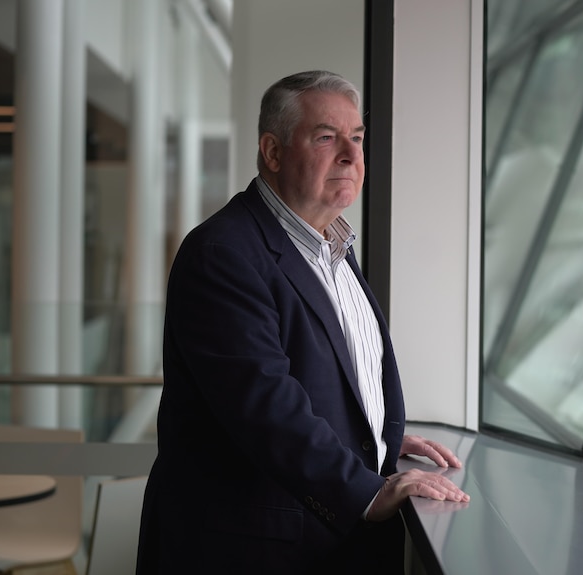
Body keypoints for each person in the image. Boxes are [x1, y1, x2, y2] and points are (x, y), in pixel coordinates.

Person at [135, 70, 469, 574]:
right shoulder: (223, 252)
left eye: (356, 139)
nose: (353, 156)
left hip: (322, 544)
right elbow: (263, 403)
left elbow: (329, 371)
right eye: (326, 138)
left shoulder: (331, 247)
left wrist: (376, 434)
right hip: (251, 551)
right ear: (272, 152)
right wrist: (365, 492)